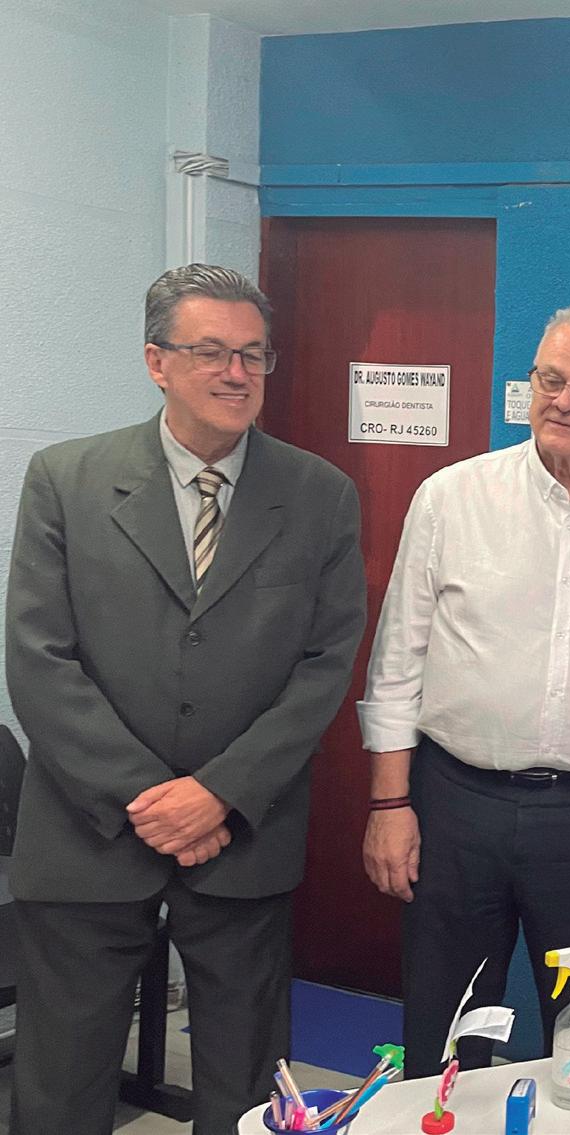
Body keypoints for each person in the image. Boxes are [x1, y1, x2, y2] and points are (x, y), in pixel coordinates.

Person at [4, 264, 367, 1135]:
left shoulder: (319, 494)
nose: (236, 373)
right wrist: (151, 798)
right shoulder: (67, 478)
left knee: (247, 1084)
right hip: (89, 833)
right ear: (155, 361)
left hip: (242, 834)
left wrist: (219, 794)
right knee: (62, 1082)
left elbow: (325, 664)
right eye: (210, 351)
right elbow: (39, 658)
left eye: (253, 354)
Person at [358, 303, 570, 1077]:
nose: (564, 401)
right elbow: (396, 662)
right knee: (445, 1029)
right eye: (551, 379)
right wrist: (389, 803)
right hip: (456, 805)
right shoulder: (452, 496)